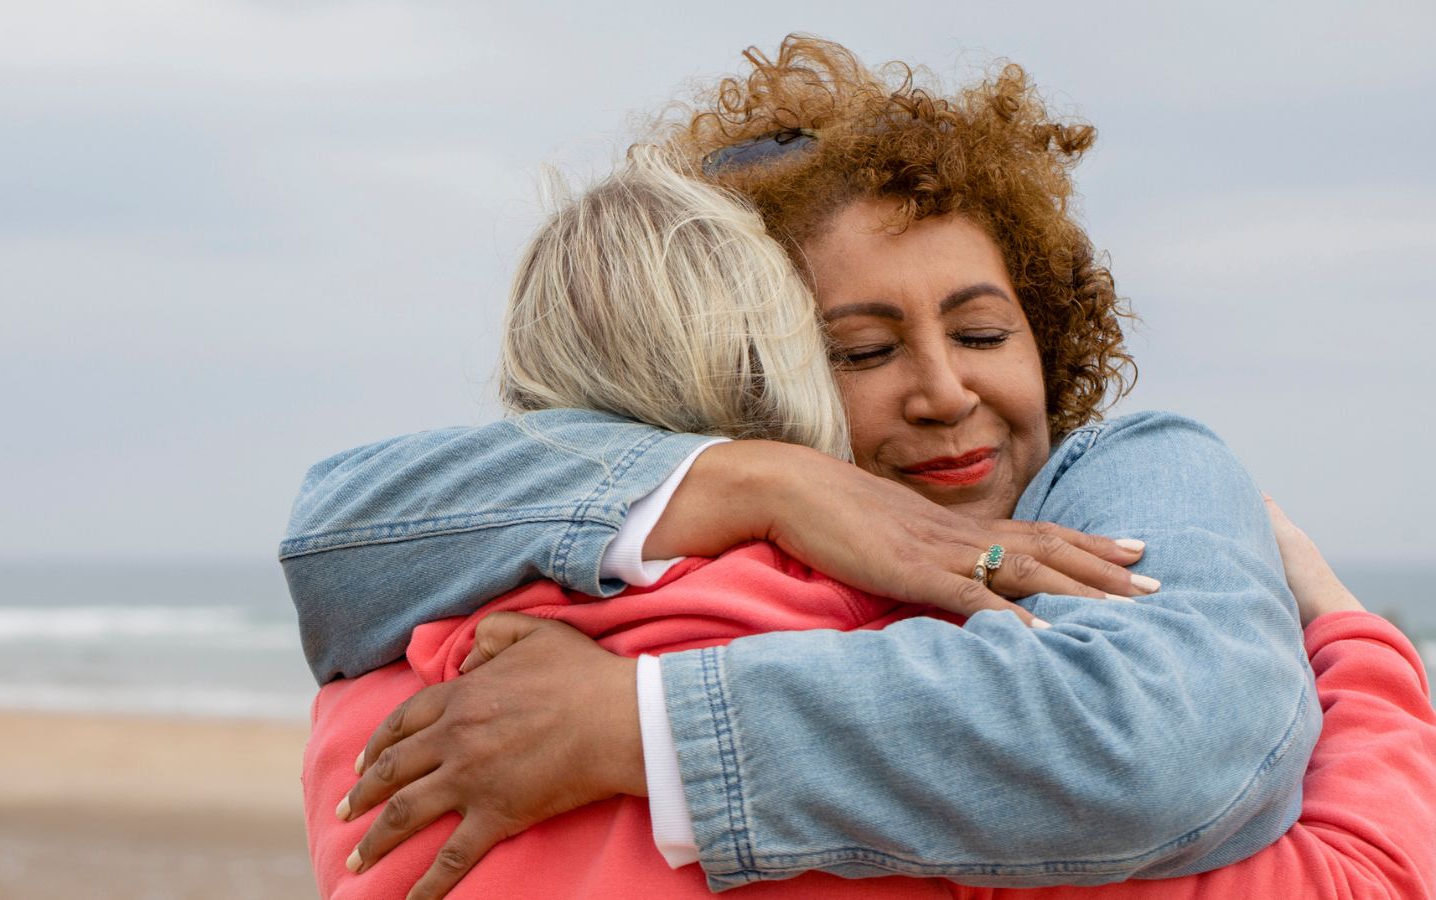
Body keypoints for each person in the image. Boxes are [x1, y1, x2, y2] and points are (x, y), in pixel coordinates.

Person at [281, 36, 1393, 895]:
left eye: (983, 332)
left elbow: (1161, 742)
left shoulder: (1134, 470)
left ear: (1048, 331)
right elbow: (336, 534)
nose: (943, 392)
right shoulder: (812, 621)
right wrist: (764, 481)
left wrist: (636, 724)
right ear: (754, 363)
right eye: (860, 351)